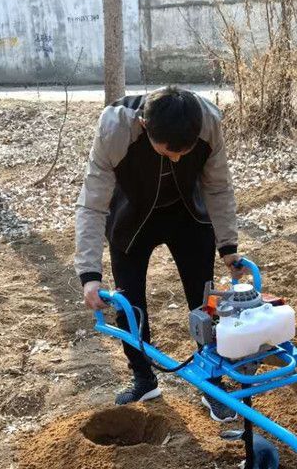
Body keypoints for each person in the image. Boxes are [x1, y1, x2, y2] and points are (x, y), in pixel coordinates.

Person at [74, 86, 242, 421]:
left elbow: (218, 185)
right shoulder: (116, 130)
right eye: (169, 151)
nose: (178, 158)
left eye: (185, 151)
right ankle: (143, 379)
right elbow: (92, 204)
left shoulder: (208, 123)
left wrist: (228, 246)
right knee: (128, 300)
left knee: (203, 298)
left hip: (187, 214)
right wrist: (89, 274)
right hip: (132, 215)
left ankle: (212, 382)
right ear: (145, 127)